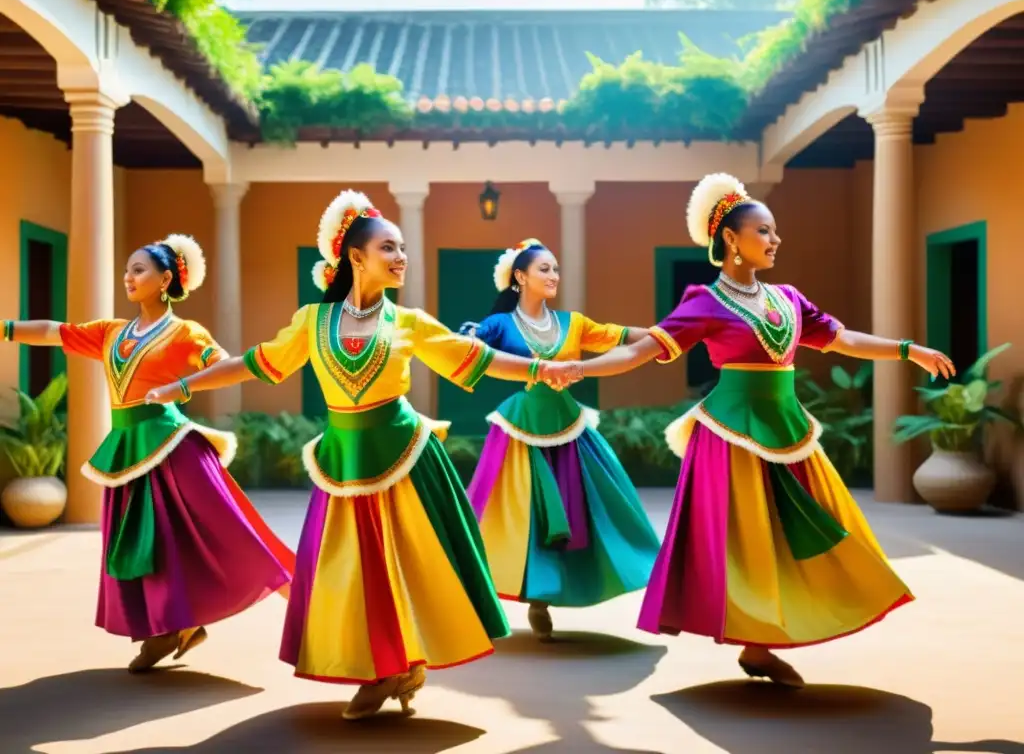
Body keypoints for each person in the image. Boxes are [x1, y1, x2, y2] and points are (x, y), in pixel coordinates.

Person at [144, 191, 579, 720]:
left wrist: (538, 369)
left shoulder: (411, 321)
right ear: (355, 257)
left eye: (402, 248)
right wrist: (183, 386)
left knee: (415, 568)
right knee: (353, 572)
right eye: (388, 247)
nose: (401, 257)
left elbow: (479, 357)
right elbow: (252, 363)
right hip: (342, 464)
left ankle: (403, 665)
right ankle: (383, 670)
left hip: (405, 458)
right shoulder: (312, 322)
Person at [560, 173, 955, 688]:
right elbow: (639, 351)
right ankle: (758, 643)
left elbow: (843, 340)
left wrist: (908, 349)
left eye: (774, 232)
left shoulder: (787, 298)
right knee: (745, 540)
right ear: (731, 239)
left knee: (813, 527)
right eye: (764, 231)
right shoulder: (703, 302)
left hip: (787, 431)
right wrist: (580, 369)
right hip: (730, 436)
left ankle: (760, 644)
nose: (775, 240)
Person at [1, 234, 294, 673]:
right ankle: (171, 626)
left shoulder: (185, 333)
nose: (128, 277)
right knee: (145, 542)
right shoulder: (110, 333)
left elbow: (222, 365)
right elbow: (52, 331)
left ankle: (298, 596)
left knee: (227, 528)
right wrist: (6, 328)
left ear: (165, 279)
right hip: (127, 450)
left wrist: (183, 386)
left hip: (173, 445)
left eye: (139, 270)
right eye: (126, 270)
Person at [458, 239, 661, 641]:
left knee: (586, 509)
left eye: (555, 269)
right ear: (520, 277)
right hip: (520, 429)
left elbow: (620, 336)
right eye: (544, 269)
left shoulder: (574, 323)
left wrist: (668, 334)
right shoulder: (499, 325)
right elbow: (469, 352)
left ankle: (551, 594)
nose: (553, 276)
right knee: (520, 513)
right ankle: (510, 595)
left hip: (568, 427)